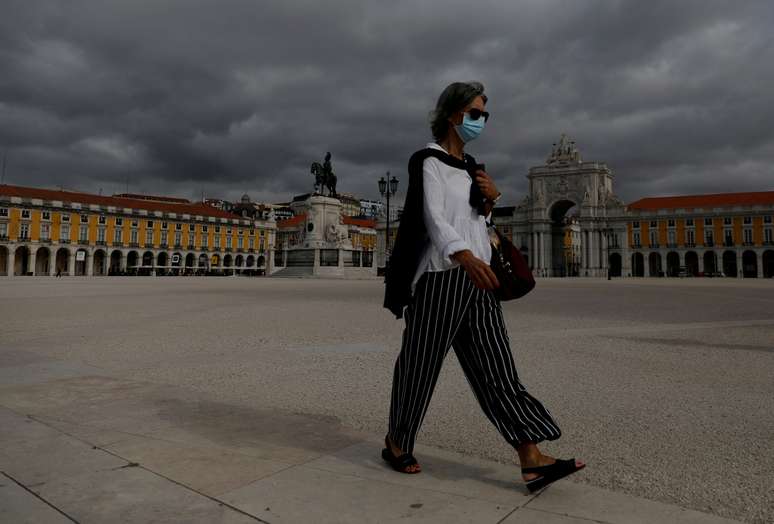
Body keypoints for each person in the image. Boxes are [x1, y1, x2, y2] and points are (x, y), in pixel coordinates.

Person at [382, 81, 585, 492]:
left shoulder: (473, 166)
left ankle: (530, 456)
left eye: (484, 115)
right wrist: (463, 256)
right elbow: (433, 218)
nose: (481, 121)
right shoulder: (429, 161)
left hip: (482, 279)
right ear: (453, 114)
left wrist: (491, 199)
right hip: (442, 278)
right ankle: (397, 440)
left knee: (498, 370)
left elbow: (476, 220)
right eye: (475, 113)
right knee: (421, 365)